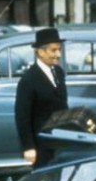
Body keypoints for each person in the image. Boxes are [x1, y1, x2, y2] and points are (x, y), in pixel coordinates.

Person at [15, 27, 68, 168]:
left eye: (59, 49)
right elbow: (22, 116)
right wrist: (28, 147)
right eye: (53, 50)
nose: (58, 54)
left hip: (60, 142)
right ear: (39, 52)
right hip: (41, 146)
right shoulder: (28, 80)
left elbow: (63, 106)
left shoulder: (59, 72)